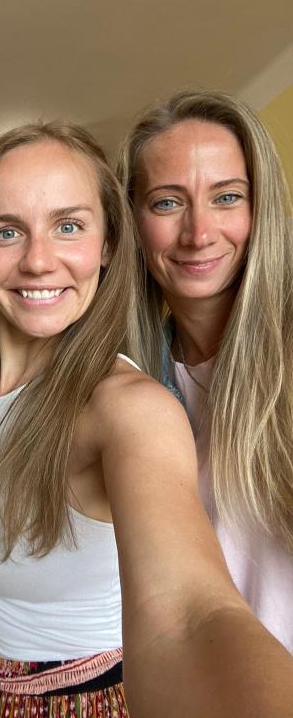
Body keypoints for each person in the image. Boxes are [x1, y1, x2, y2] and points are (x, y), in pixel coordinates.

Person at [0, 121, 293, 718]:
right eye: (7, 232)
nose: (38, 261)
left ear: (109, 244)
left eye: (68, 226)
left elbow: (190, 613)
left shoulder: (127, 408)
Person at [117, 90, 293, 655]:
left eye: (227, 197)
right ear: (132, 220)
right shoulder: (127, 381)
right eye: (168, 202)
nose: (198, 233)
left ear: (260, 208)